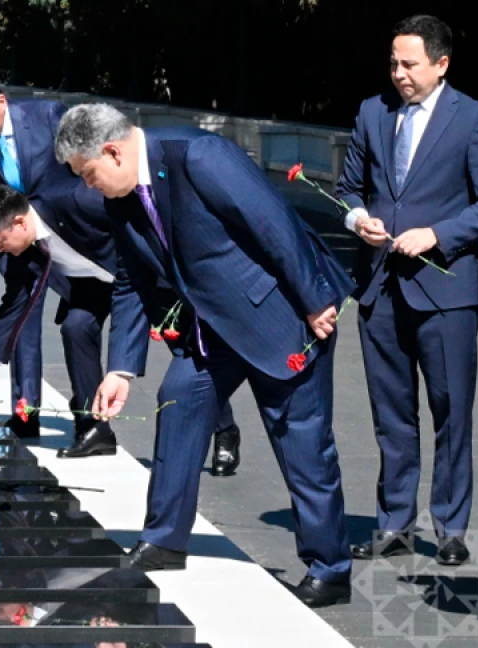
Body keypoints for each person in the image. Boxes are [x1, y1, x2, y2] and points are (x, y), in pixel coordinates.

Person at [55, 103, 355, 608]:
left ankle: (330, 567)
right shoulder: (120, 198)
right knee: (179, 400)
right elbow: (131, 279)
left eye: (89, 175)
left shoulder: (199, 155)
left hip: (278, 313)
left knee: (300, 439)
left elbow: (273, 222)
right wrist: (121, 368)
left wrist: (314, 299)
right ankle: (164, 539)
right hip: (211, 327)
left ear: (112, 151)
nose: (89, 187)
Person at [335, 15, 478, 567]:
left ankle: (451, 528)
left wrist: (438, 234)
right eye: (392, 62)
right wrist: (358, 220)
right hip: (380, 288)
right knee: (392, 414)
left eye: (409, 63)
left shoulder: (475, 119)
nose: (398, 73)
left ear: (441, 63)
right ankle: (395, 524)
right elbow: (348, 189)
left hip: (446, 292)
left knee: (451, 411)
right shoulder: (370, 112)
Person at [0, 73, 120, 453]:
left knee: (174, 334)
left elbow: (85, 156)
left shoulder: (48, 116)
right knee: (23, 319)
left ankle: (219, 425)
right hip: (19, 242)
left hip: (83, 232)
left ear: (1, 102)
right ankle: (28, 411)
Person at [0, 185, 117, 459]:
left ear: (19, 222)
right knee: (76, 327)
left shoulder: (72, 202)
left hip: (141, 274)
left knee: (194, 350)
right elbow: (12, 310)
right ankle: (95, 426)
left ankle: (218, 429)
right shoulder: (23, 252)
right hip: (92, 285)